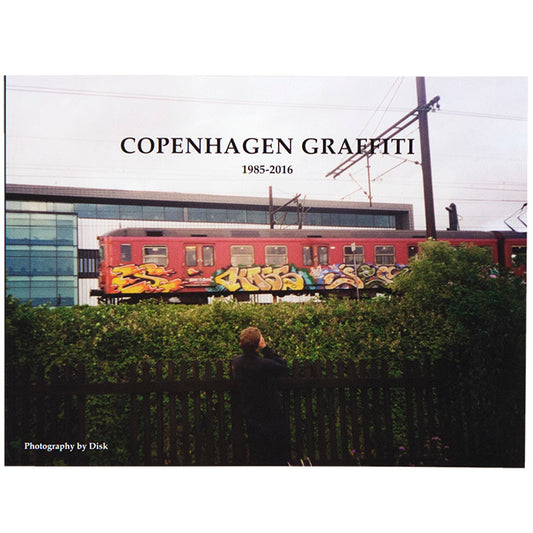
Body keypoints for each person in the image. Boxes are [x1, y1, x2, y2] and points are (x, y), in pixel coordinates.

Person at [231, 327, 290, 466]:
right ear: (258, 343)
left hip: (251, 414)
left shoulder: (237, 362)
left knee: (257, 454)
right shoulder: (264, 365)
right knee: (275, 455)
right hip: (270, 415)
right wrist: (266, 348)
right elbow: (282, 366)